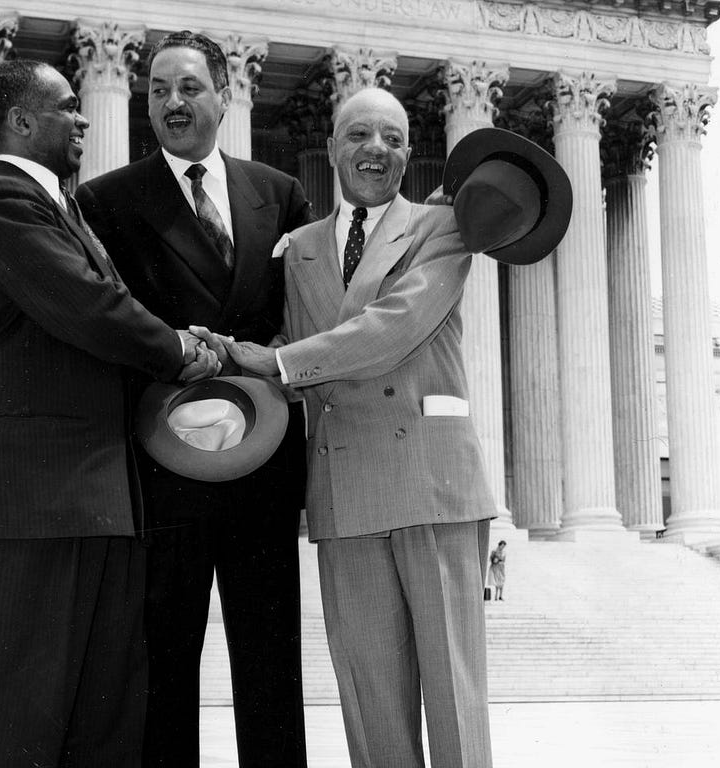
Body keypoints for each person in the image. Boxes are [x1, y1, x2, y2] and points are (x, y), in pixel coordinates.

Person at [213, 87, 500, 768]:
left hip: (431, 481)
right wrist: (216, 355)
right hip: (344, 486)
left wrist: (279, 361)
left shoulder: (444, 228)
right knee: (371, 702)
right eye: (361, 136)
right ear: (334, 147)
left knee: (454, 695)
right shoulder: (301, 249)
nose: (377, 150)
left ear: (409, 153)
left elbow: (392, 329)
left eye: (394, 139)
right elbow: (283, 348)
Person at [0, 58, 219, 767]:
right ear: (23, 121)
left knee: (105, 716)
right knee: (18, 714)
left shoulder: (63, 209)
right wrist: (180, 349)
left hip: (96, 498)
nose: (86, 117)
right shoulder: (1, 203)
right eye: (69, 106)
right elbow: (91, 308)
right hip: (31, 504)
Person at [75, 30, 313, 768]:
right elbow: (105, 323)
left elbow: (301, 318)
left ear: (224, 93)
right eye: (157, 90)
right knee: (164, 664)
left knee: (271, 661)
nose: (172, 103)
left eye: (189, 87)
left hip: (263, 461)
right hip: (163, 464)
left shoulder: (281, 193)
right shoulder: (105, 200)